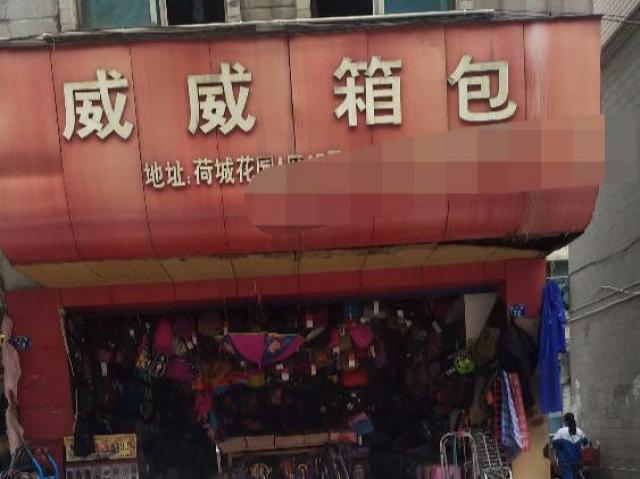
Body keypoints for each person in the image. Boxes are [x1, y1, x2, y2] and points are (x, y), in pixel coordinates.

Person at [552, 413, 589, 479]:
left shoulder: (561, 431)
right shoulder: (579, 431)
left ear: (565, 421)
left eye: (564, 420)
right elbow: (585, 442)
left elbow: (554, 444)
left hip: (565, 462)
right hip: (577, 461)